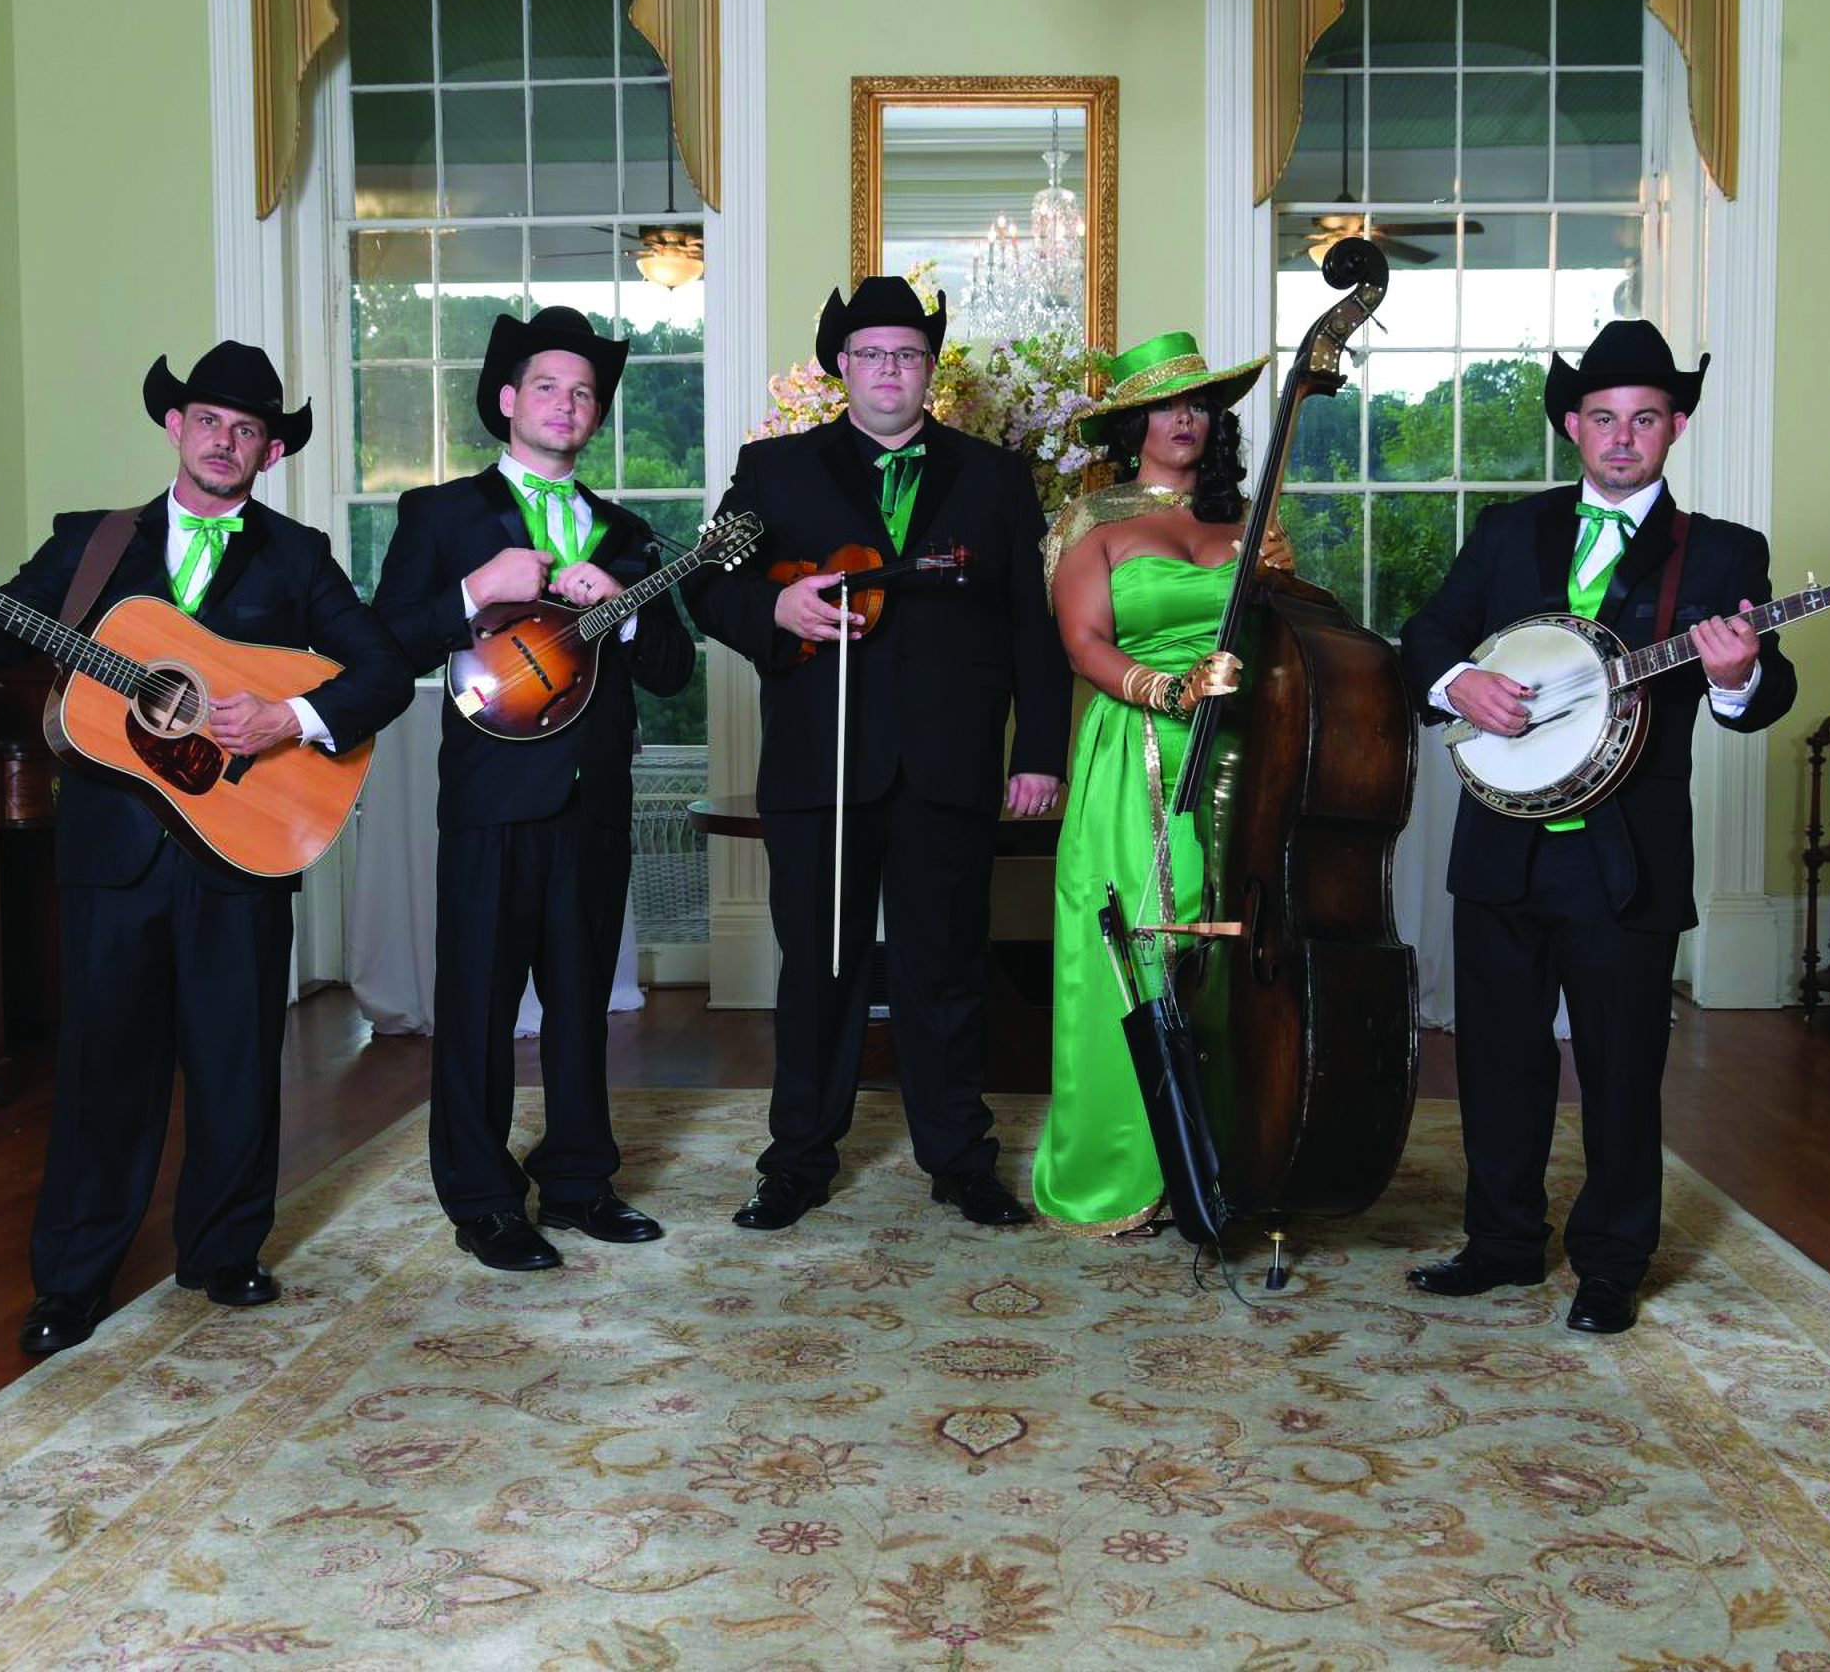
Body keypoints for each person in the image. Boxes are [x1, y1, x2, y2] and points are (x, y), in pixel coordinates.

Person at [0, 341, 412, 1355]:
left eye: (248, 429)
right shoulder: (93, 543)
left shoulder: (299, 556)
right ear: (175, 426)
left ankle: (224, 1251)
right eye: (210, 421)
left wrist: (286, 717)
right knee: (104, 1069)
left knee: (236, 1059)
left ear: (270, 452)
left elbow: (382, 672)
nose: (225, 440)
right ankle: (72, 1281)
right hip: (111, 854)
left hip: (241, 845)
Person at [1397, 318, 1796, 1335]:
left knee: (1621, 1070)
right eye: (1604, 417)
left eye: (1645, 419)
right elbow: (1427, 634)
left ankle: (1612, 1265)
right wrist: (1459, 682)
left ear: (1676, 428)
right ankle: (1500, 1244)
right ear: (1573, 425)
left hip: (1627, 857)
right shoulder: (1507, 531)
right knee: (1497, 1059)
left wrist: (1736, 676)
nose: (1623, 436)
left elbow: (1766, 690)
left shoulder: (1721, 551)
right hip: (1501, 842)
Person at [682, 276, 1071, 1231]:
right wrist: (775, 606)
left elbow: (1034, 625)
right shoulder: (773, 469)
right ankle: (798, 1160)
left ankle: (960, 1158)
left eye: (907, 354)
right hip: (821, 764)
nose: (889, 370)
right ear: (841, 368)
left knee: (948, 969)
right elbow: (708, 586)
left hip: (952, 760)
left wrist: (1040, 753)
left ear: (930, 370)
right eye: (871, 355)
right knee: (819, 969)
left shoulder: (995, 476)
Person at [371, 307, 696, 1271]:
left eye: (584, 392)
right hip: (490, 797)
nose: (567, 403)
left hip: (594, 799)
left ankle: (580, 1181)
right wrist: (475, 591)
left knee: (581, 1000)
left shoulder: (628, 534)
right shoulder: (441, 515)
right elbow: (384, 643)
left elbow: (673, 666)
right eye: (548, 386)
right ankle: (482, 1199)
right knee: (477, 1003)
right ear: (508, 401)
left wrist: (623, 611)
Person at [1029, 331, 1279, 1232]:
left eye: (1201, 406)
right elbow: (1083, 644)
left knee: (1232, 953)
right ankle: (1126, 1168)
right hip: (1136, 745)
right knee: (1131, 947)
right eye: (1168, 407)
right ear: (1135, 425)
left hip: (1244, 751)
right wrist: (1168, 691)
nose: (1186, 420)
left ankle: (1228, 1162)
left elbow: (1289, 632)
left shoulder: (1251, 521)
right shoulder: (1090, 521)